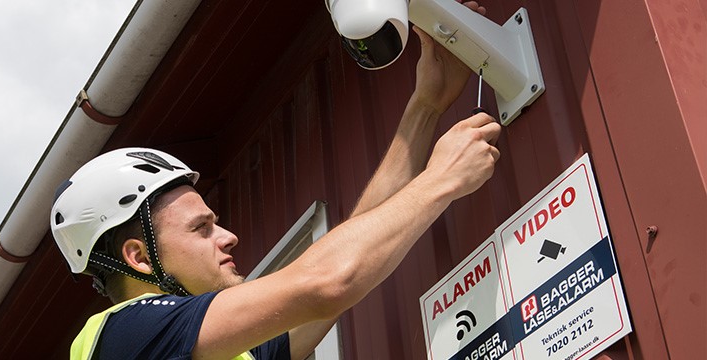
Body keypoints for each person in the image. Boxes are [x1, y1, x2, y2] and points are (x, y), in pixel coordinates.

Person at [51, 2, 499, 359]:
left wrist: (426, 106)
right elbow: (327, 281)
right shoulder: (125, 337)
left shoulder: (224, 349)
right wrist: (440, 180)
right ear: (139, 257)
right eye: (200, 228)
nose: (228, 237)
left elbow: (354, 247)